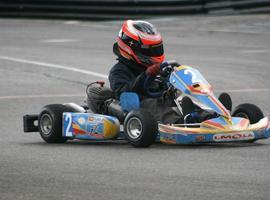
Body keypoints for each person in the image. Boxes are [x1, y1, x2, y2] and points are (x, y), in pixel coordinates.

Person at [108, 20, 182, 123]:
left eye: (157, 49)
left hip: (161, 100)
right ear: (131, 48)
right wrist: (146, 75)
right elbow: (123, 93)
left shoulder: (155, 67)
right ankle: (180, 122)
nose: (154, 53)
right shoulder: (118, 71)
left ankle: (206, 117)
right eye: (149, 50)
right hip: (140, 107)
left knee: (184, 100)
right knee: (154, 105)